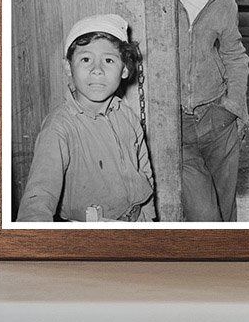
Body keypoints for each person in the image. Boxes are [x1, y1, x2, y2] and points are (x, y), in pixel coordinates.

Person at [17, 14, 155, 222]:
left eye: (108, 60)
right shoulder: (59, 128)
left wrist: (149, 217)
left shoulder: (127, 116)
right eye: (86, 59)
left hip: (137, 222)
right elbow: (38, 198)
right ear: (68, 67)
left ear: (125, 69)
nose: (97, 70)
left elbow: (144, 172)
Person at [174, 0, 249, 222]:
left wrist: (232, 107)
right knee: (205, 215)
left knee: (226, 208)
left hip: (218, 119)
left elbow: (235, 55)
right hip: (175, 126)